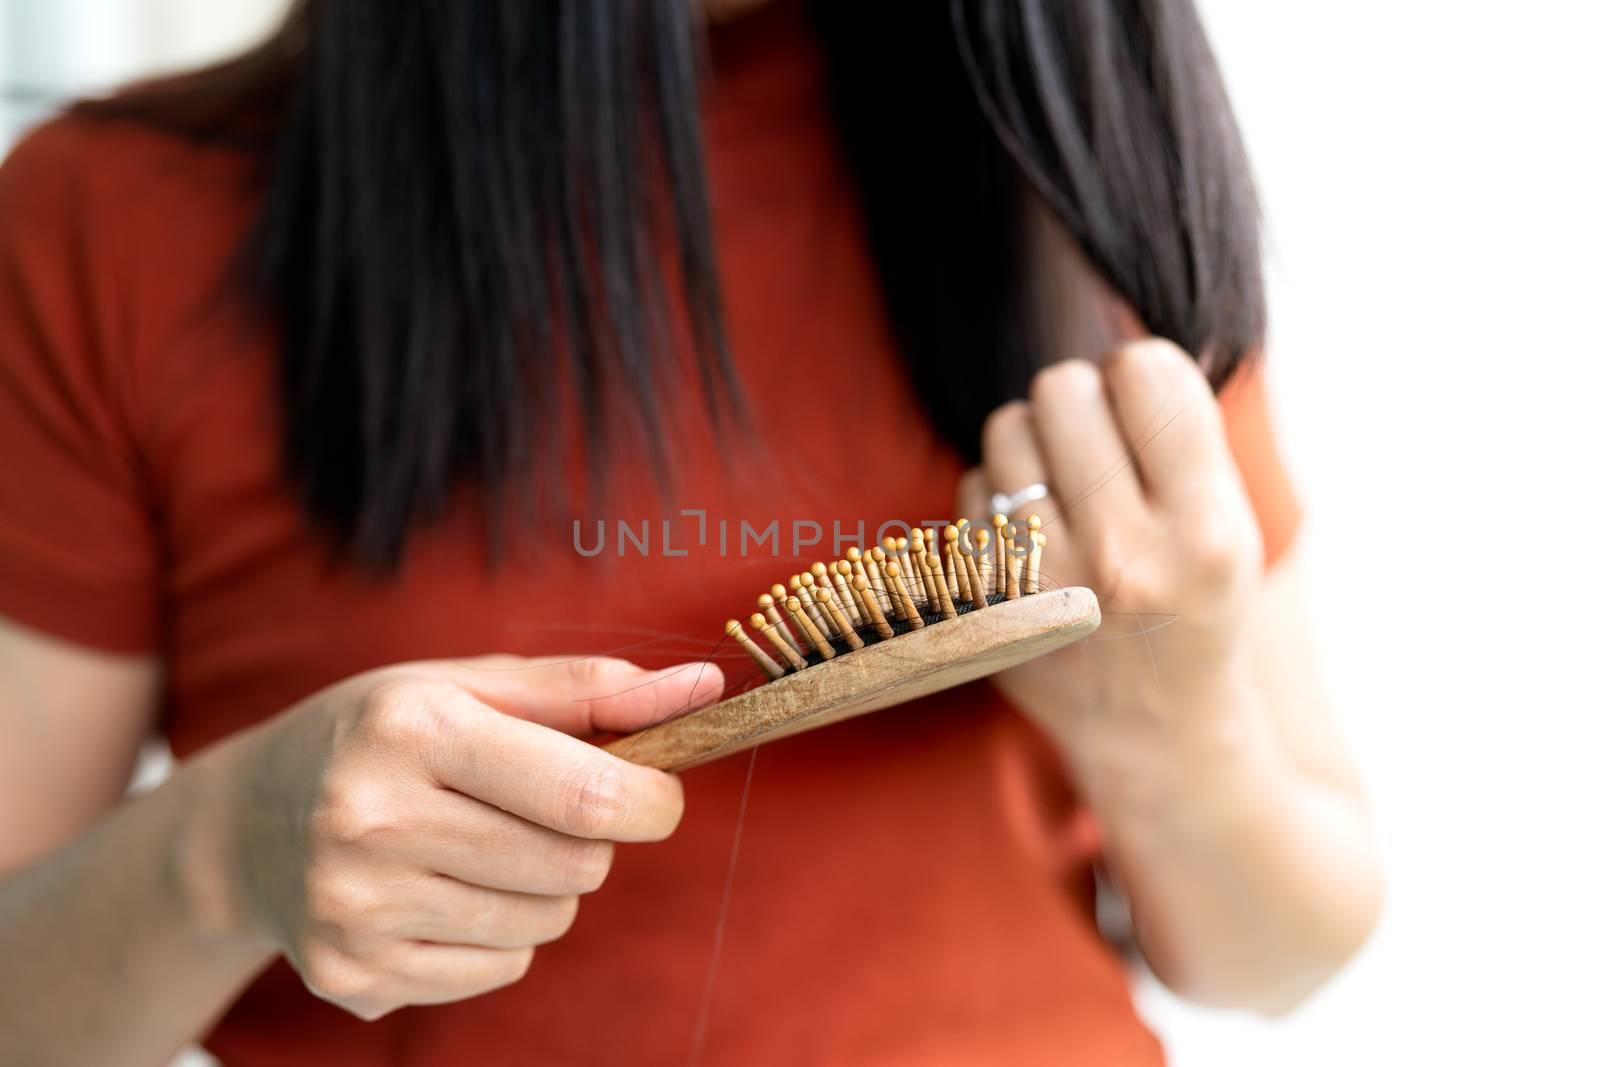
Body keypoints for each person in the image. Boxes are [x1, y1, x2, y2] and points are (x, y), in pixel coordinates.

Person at [0, 1, 1381, 1063]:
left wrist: (1173, 731)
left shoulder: (1054, 168)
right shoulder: (109, 224)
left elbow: (1286, 955)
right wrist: (223, 851)